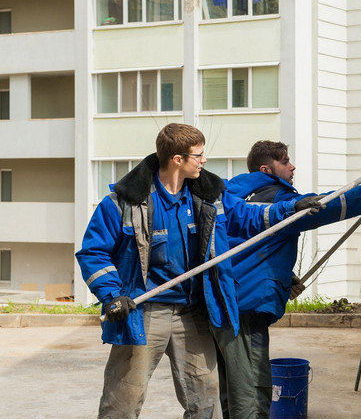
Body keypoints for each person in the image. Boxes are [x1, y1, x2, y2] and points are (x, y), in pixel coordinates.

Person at [75, 124, 321, 419]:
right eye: (199, 155)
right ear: (177, 159)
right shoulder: (124, 202)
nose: (204, 161)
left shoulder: (208, 197)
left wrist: (292, 207)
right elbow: (93, 252)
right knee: (123, 400)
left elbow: (247, 215)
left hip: (191, 314)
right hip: (143, 312)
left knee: (206, 401)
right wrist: (112, 295)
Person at [212, 140, 361, 418]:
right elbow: (318, 209)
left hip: (231, 299)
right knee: (252, 390)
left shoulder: (240, 196)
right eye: (285, 161)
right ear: (266, 168)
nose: (292, 166)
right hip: (245, 306)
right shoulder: (273, 195)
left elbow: (248, 245)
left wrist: (284, 278)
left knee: (234, 387)